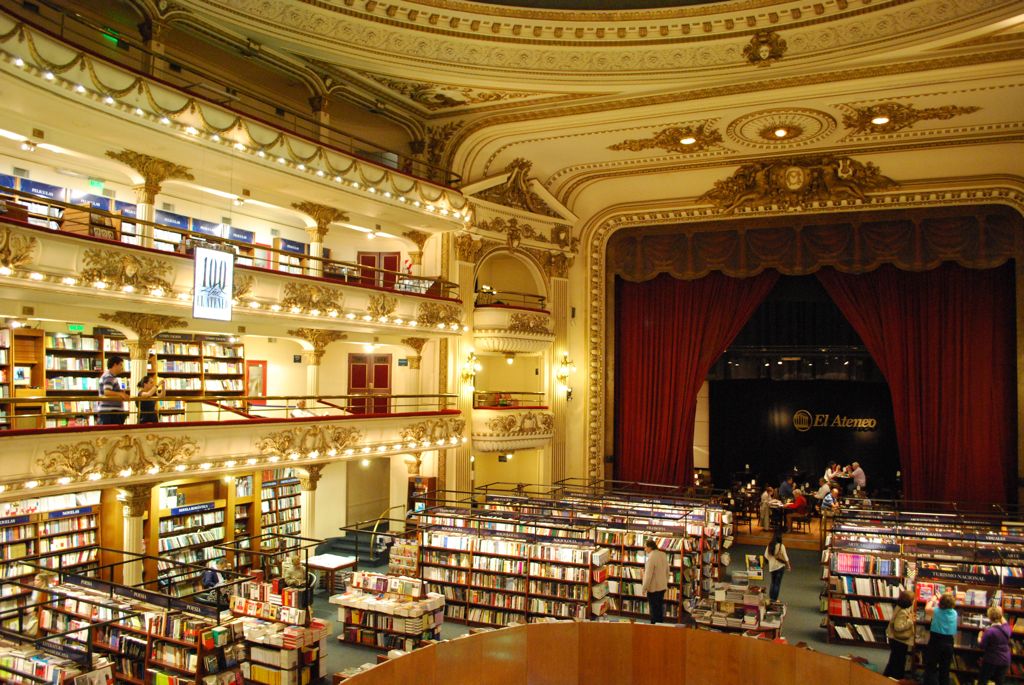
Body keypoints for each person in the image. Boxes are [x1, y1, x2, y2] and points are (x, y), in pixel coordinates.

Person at [923, 592, 957, 685]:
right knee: (945, 669)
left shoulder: (936, 611)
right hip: (949, 642)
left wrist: (933, 599)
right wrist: (941, 598)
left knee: (931, 667)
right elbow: (945, 606)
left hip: (936, 641)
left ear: (940, 603)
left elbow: (927, 608)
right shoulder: (954, 613)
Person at [883, 590, 915, 678]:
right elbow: (898, 627)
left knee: (894, 660)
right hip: (899, 640)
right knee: (898, 661)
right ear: (909, 601)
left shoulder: (899, 606)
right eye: (913, 600)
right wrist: (910, 621)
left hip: (895, 639)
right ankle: (896, 678)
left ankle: (887, 677)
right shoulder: (902, 611)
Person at [977, 605, 1011, 685]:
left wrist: (979, 637)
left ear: (989, 618)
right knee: (999, 682)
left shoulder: (990, 631)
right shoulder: (1007, 628)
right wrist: (999, 613)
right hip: (1005, 660)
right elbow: (1004, 620)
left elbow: (982, 646)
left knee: (982, 680)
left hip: (991, 660)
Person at [640, 539, 669, 624]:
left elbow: (648, 575)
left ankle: (653, 627)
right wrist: (665, 582)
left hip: (654, 588)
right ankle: (660, 626)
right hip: (662, 586)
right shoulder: (663, 554)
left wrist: (644, 588)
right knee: (659, 608)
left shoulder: (651, 557)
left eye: (645, 547)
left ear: (650, 547)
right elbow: (667, 571)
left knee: (653, 610)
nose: (645, 549)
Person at [97, 355, 129, 425]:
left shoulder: (110, 376)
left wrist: (119, 392)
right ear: (115, 365)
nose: (122, 367)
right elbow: (107, 392)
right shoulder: (109, 376)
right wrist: (120, 394)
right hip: (110, 413)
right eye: (120, 365)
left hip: (111, 412)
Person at [764, 531, 791, 602]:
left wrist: (764, 565)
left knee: (773, 582)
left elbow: (766, 556)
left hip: (772, 567)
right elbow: (785, 557)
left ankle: (771, 598)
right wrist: (788, 566)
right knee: (777, 584)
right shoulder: (781, 546)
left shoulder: (769, 545)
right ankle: (774, 599)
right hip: (780, 567)